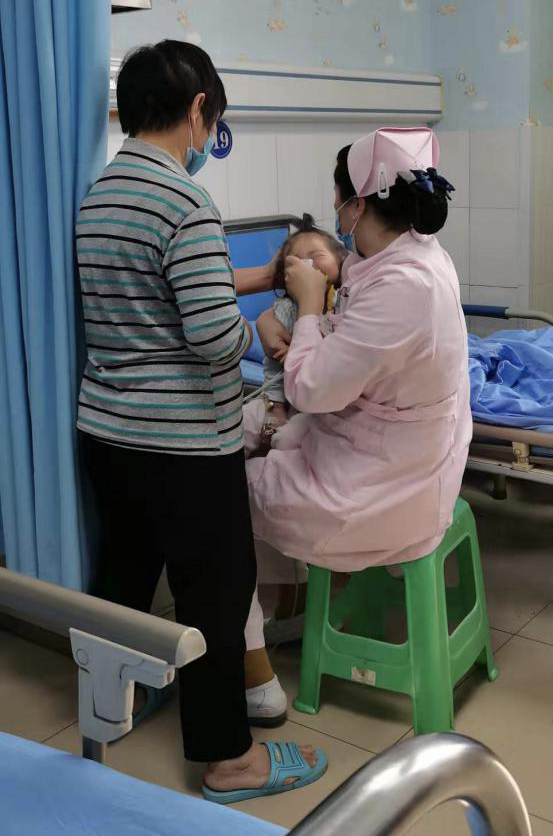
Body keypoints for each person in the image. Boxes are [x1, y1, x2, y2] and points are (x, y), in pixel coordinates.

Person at [77, 39, 326, 804]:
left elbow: (160, 287)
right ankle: (228, 760)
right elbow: (213, 336)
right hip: (184, 442)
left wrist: (268, 273)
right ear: (196, 111)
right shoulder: (187, 203)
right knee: (216, 591)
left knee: (124, 574)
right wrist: (273, 324)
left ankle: (113, 703)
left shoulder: (101, 193)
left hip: (110, 431)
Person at [245, 127, 472, 678]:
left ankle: (251, 659)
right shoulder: (407, 256)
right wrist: (277, 316)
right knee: (258, 447)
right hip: (396, 455)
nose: (332, 207)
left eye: (337, 195)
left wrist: (309, 306)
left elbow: (309, 389)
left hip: (382, 488)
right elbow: (354, 344)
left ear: (358, 204)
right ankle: (284, 606)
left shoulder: (403, 286)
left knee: (220, 494)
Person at [244, 214, 345, 454]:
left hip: (323, 407)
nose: (307, 265)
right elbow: (273, 366)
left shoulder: (346, 305)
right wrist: (275, 405)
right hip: (281, 398)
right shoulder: (285, 310)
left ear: (342, 261)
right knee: (240, 427)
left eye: (317, 256)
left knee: (288, 440)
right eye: (296, 261)